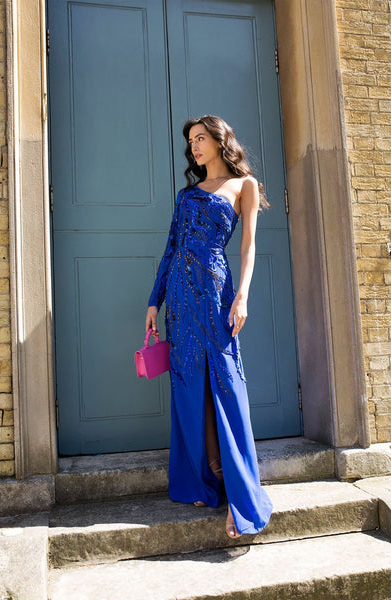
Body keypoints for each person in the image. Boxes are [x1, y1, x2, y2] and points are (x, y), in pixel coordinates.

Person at [145, 115, 273, 538]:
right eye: (190, 141)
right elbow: (170, 248)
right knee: (189, 388)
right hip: (180, 301)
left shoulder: (245, 187)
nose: (194, 146)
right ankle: (201, 480)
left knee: (225, 385)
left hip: (217, 295)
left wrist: (244, 295)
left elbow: (250, 245)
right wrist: (154, 300)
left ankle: (241, 499)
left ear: (220, 141)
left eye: (201, 138)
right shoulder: (186, 196)